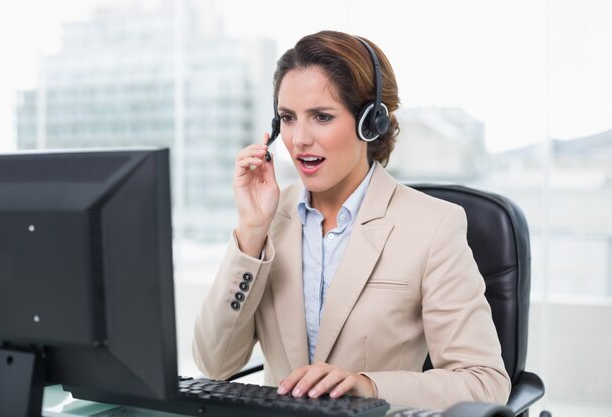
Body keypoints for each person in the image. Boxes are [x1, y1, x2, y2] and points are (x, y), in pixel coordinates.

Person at [192, 30, 510, 410]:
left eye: (321, 117)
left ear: (369, 123)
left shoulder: (434, 226)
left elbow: (484, 383)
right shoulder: (268, 219)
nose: (299, 139)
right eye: (288, 119)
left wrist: (368, 386)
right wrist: (251, 234)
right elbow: (214, 363)